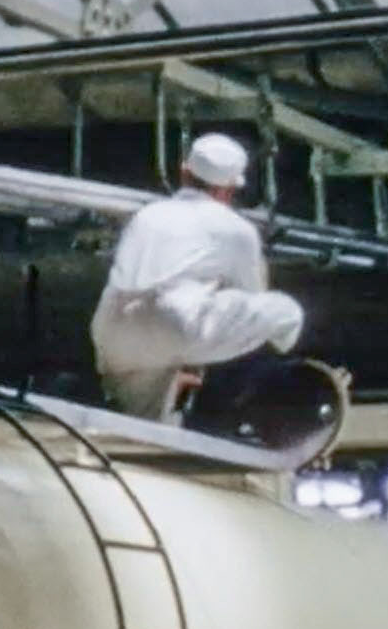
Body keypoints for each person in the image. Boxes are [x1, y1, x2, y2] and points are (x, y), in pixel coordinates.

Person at [91, 132, 304, 421]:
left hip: (112, 330)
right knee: (283, 311)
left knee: (142, 421)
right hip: (175, 322)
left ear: (183, 173)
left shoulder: (148, 214)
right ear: (229, 189)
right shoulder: (236, 229)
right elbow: (249, 297)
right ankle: (280, 389)